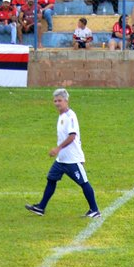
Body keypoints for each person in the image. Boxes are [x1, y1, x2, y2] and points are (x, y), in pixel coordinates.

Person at [26, 89, 101, 219]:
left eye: (59, 100)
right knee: (51, 179)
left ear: (66, 101)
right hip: (61, 160)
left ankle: (94, 210)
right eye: (55, 101)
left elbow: (72, 136)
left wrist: (58, 148)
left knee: (84, 183)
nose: (57, 103)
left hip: (72, 159)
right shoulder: (61, 116)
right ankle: (41, 207)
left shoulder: (70, 117)